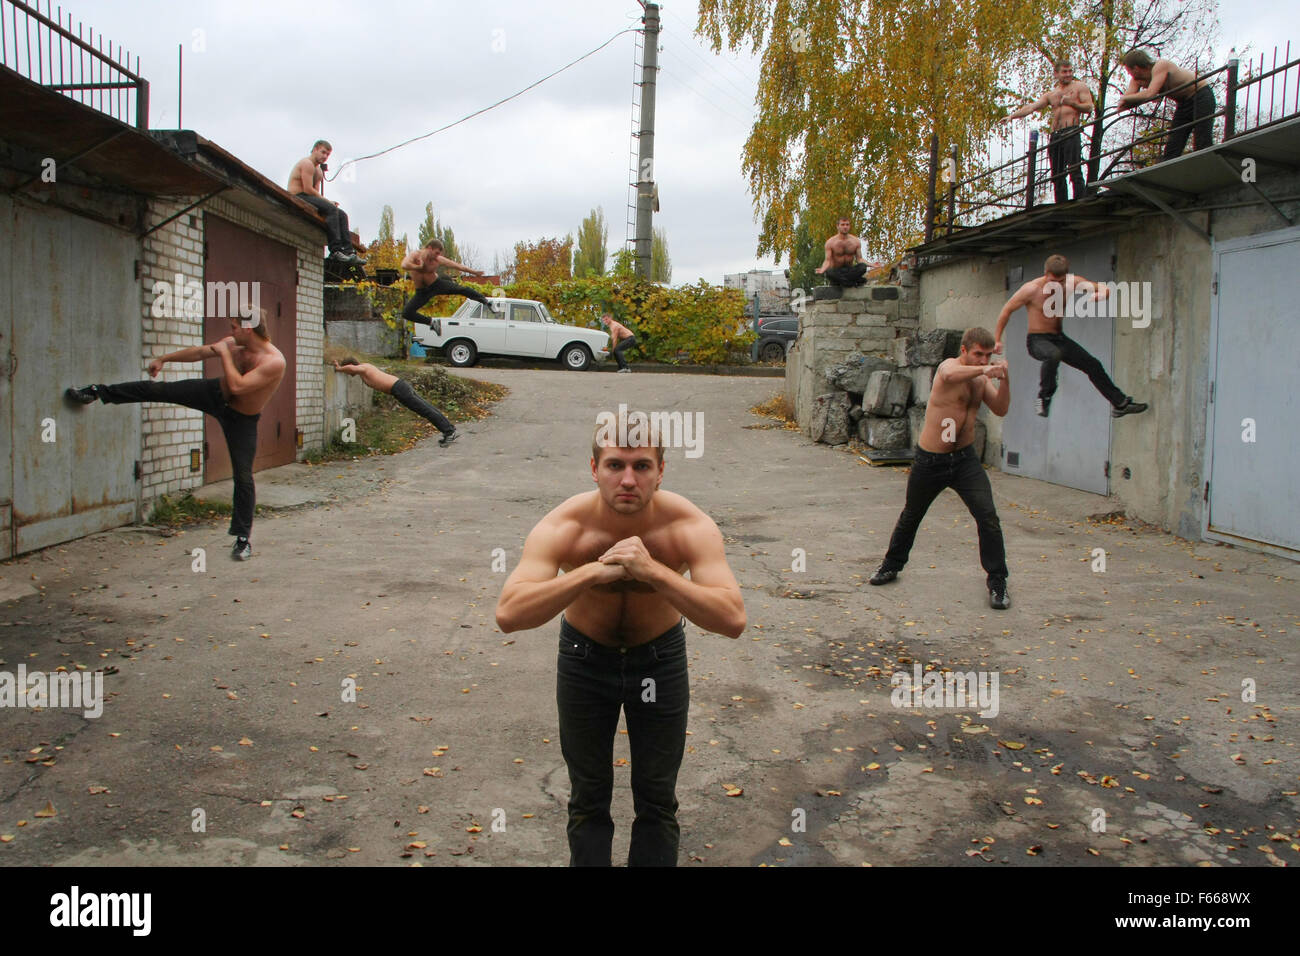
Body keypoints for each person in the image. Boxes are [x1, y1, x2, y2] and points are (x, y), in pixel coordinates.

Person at [495, 415, 746, 866]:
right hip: (584, 660)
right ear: (594, 469)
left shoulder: (689, 526)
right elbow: (510, 614)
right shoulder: (565, 526)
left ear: (661, 471)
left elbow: (731, 619)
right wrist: (591, 571)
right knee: (588, 797)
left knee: (656, 797)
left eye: (642, 466)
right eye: (614, 465)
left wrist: (652, 571)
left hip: (660, 661)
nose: (628, 479)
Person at [65, 311, 286, 561]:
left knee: (243, 476)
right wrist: (164, 358)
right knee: (159, 390)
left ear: (248, 329)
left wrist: (224, 353)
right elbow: (201, 352)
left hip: (241, 419)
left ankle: (243, 539)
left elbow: (238, 386)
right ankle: (97, 392)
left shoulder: (274, 361)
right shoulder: (236, 343)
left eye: (234, 327)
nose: (230, 331)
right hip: (214, 394)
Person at [868, 328, 1013, 609]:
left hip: (965, 460)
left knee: (988, 517)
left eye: (987, 355)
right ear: (964, 351)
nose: (983, 359)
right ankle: (890, 565)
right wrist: (988, 369)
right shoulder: (950, 367)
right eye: (977, 354)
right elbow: (948, 376)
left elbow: (1001, 409)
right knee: (912, 515)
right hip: (930, 460)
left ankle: (997, 582)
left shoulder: (982, 379)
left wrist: (1005, 378)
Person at [994, 254, 1148, 419]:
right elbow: (1006, 310)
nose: (1056, 286)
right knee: (1053, 354)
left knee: (1093, 365)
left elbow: (1103, 288)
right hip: (1037, 340)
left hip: (1059, 339)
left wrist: (1102, 294)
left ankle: (1120, 404)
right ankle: (1044, 397)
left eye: (1060, 282)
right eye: (1052, 281)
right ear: (1045, 273)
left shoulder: (1072, 283)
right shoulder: (1031, 289)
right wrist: (997, 339)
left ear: (1066, 277)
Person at [1001, 59, 1094, 203]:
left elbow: (1089, 107)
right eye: (1064, 71)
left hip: (1071, 131)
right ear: (1056, 74)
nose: (1068, 74)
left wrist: (1072, 103)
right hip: (1056, 134)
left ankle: (1080, 201)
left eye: (1070, 71)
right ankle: (1061, 204)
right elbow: (1032, 107)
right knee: (1057, 174)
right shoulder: (1052, 94)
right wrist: (1012, 116)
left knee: (1074, 170)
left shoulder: (1079, 87)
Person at [332, 358, 458, 446]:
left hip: (398, 389)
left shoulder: (363, 368)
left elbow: (351, 368)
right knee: (427, 408)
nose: (349, 374)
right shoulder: (365, 367)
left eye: (349, 372)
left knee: (425, 410)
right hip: (400, 386)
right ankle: (449, 429)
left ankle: (449, 431)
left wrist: (339, 368)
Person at [1117, 49, 1216, 159]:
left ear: (1136, 68)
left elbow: (1150, 93)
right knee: (1173, 145)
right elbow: (1125, 101)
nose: (1128, 73)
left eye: (1128, 70)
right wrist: (1127, 100)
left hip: (1200, 95)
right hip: (1183, 103)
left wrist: (1132, 97)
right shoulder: (1137, 80)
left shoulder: (1160, 66)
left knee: (1202, 141)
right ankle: (1170, 172)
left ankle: (1209, 166)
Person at [288, 140, 363, 263]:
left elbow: (315, 194)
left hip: (308, 197)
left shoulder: (319, 171)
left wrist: (328, 202)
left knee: (342, 215)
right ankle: (335, 251)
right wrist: (328, 202)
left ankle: (348, 251)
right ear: (315, 149)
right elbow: (307, 189)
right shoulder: (306, 164)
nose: (325, 156)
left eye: (327, 155)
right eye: (323, 152)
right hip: (298, 196)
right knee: (332, 209)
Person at [399, 239, 494, 328]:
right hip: (422, 292)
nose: (437, 256)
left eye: (439, 254)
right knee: (407, 313)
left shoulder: (438, 259)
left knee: (461, 289)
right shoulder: (415, 255)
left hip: (437, 285)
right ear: (429, 248)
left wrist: (474, 272)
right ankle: (431, 322)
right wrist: (418, 267)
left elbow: (457, 266)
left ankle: (486, 302)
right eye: (436, 253)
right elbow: (404, 265)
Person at [815, 217, 868, 287]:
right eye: (842, 225)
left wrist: (872, 264)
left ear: (849, 226)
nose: (845, 227)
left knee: (863, 267)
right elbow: (827, 260)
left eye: (847, 225)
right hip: (837, 271)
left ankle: (844, 282)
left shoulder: (855, 241)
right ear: (838, 226)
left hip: (850, 270)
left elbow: (859, 259)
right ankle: (853, 282)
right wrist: (822, 269)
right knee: (828, 272)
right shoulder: (830, 242)